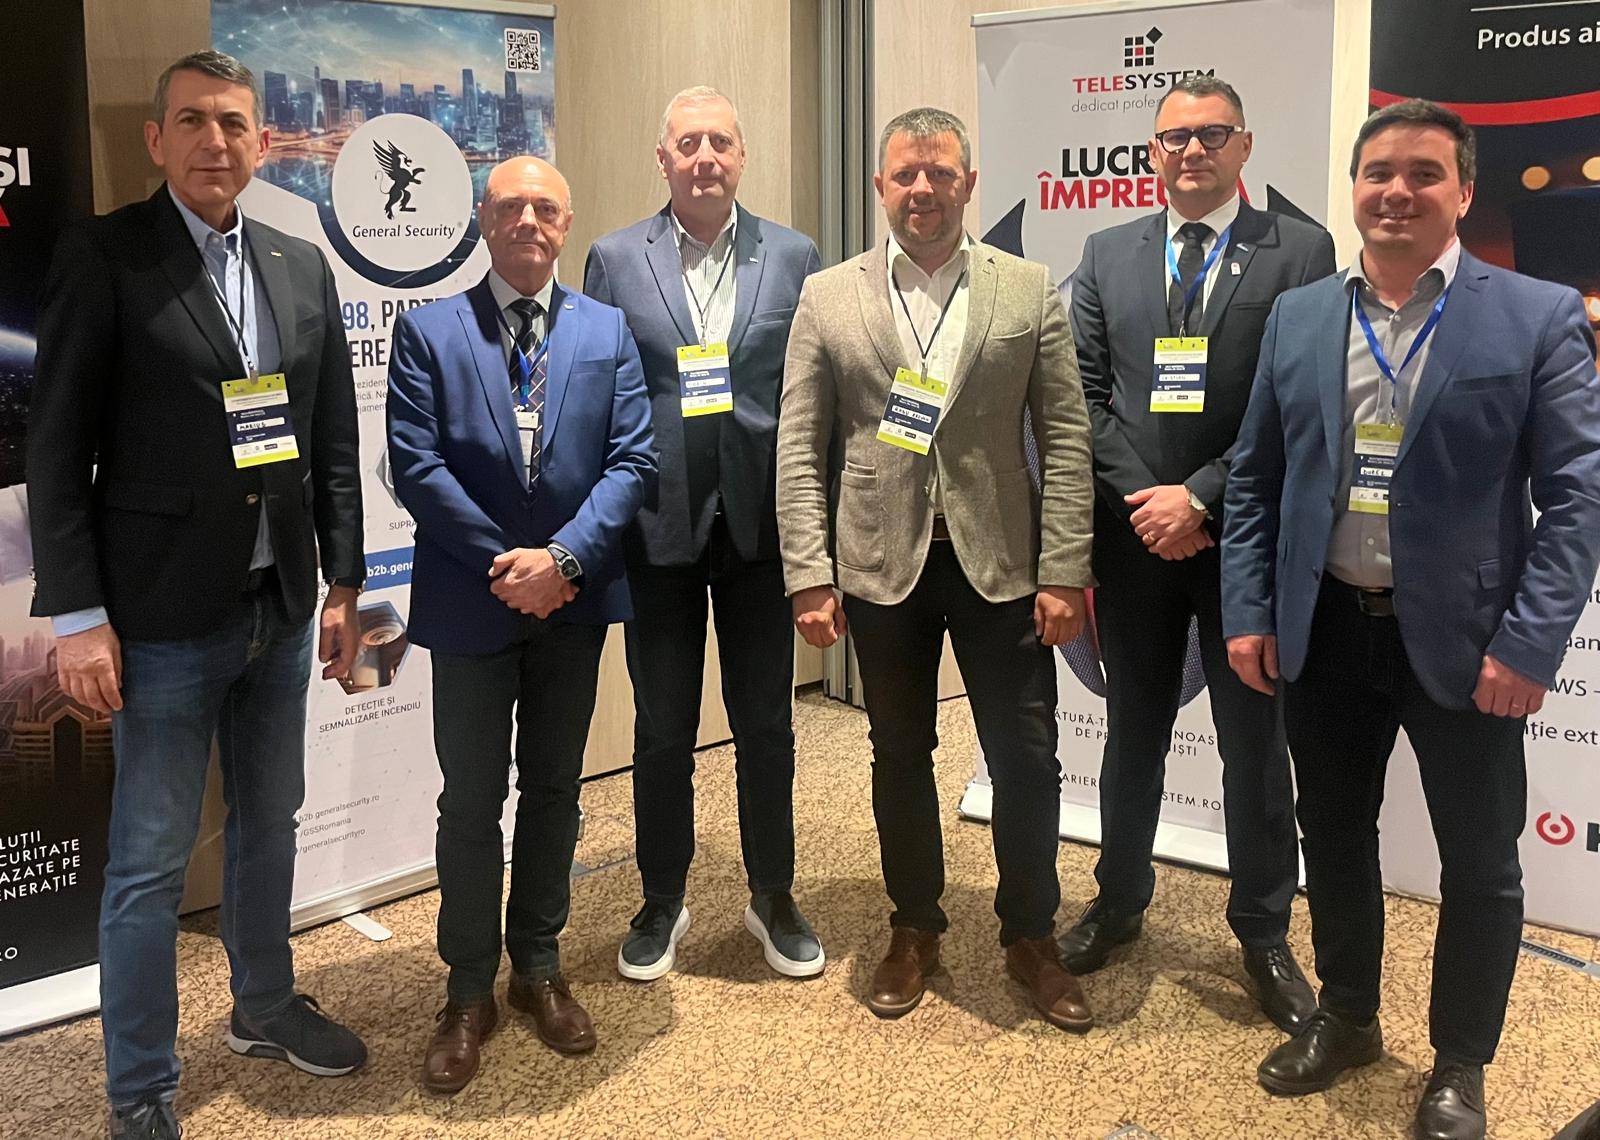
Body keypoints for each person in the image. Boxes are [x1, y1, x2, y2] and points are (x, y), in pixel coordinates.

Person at [1222, 99, 1600, 1140]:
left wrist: (1529, 644)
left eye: (1424, 174)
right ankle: (1347, 1016)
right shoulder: (1301, 316)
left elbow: (1578, 498)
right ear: (1353, 188)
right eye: (1378, 172)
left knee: (1480, 861)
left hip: (1472, 647)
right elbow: (1256, 480)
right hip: (1325, 630)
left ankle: (1459, 1064)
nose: (1397, 191)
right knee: (1335, 835)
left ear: (1463, 192)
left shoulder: (1534, 315)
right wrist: (1250, 608)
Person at [27, 50, 367, 1140]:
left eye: (232, 123)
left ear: (262, 141)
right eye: (191, 122)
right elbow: (54, 448)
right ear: (156, 139)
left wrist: (344, 581)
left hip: (281, 607)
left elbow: (331, 443)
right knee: (148, 864)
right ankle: (140, 1089)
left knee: (272, 820)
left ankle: (263, 1006)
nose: (214, 142)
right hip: (161, 617)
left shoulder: (299, 263)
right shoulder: (105, 255)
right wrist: (78, 615)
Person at [777, 106, 1096, 1030]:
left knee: (1027, 758)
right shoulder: (828, 296)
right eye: (907, 175)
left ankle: (1030, 934)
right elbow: (799, 445)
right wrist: (808, 571)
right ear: (882, 185)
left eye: (941, 173)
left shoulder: (1026, 288)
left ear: (968, 184)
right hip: (881, 565)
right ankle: (915, 923)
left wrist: (1065, 568)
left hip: (1003, 565)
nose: (923, 189)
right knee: (898, 750)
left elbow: (1065, 436)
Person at [1061, 75, 1334, 1033]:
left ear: (1244, 146)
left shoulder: (1301, 251)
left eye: (1212, 134)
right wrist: (1152, 502)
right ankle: (1118, 902)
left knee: (1254, 748)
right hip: (1136, 539)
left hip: (1244, 539)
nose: (1191, 151)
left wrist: (1204, 497)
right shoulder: (1107, 253)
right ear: (1152, 152)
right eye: (1174, 137)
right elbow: (1085, 393)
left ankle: (1263, 932)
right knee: (1131, 731)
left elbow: (1293, 399)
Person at [387, 155, 656, 1095]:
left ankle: (537, 965)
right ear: (482, 220)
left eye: (545, 207)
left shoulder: (607, 330)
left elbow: (633, 460)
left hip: (571, 605)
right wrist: (510, 566)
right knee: (469, 800)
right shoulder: (428, 330)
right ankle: (467, 989)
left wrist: (565, 562)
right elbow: (416, 466)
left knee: (553, 790)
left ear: (567, 222)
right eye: (510, 207)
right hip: (473, 600)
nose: (529, 221)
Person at [583, 87, 824, 982]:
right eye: (688, 144)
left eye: (720, 141)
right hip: (658, 527)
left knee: (768, 723)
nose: (705, 158)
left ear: (742, 155)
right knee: (661, 729)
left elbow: (810, 395)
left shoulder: (793, 255)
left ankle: (774, 894)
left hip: (760, 526)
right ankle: (661, 897)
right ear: (663, 159)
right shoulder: (615, 258)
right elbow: (597, 393)